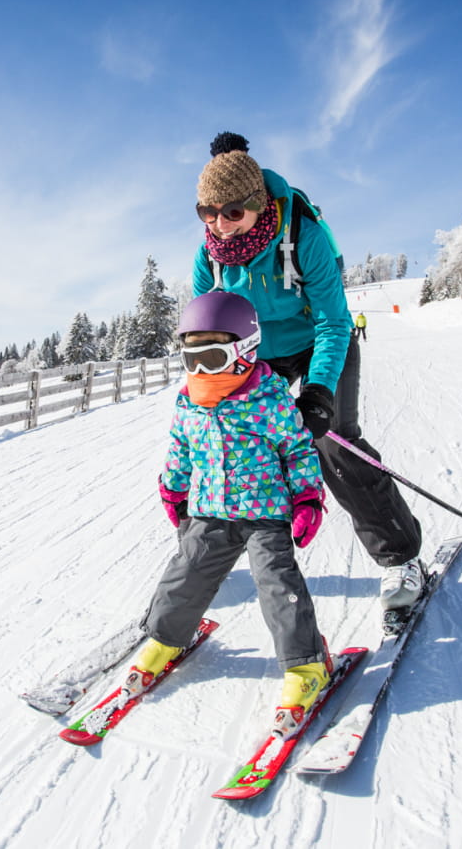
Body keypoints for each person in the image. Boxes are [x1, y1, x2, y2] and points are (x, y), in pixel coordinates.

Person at [190, 132, 424, 614]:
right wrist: (209, 385)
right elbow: (205, 325)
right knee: (229, 442)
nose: (221, 224)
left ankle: (400, 557)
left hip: (319, 340)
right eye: (208, 213)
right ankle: (207, 559)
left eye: (232, 212)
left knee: (333, 440)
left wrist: (317, 392)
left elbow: (335, 321)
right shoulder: (209, 253)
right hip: (257, 354)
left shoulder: (305, 235)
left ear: (258, 203)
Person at [129, 291, 331, 736]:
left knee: (278, 585)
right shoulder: (188, 401)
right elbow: (181, 448)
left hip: (264, 512)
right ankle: (165, 638)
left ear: (244, 351)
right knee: (185, 572)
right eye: (191, 357)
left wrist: (307, 498)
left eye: (212, 356)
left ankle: (306, 665)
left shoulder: (269, 399)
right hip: (209, 510)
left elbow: (298, 450)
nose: (200, 370)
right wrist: (173, 487)